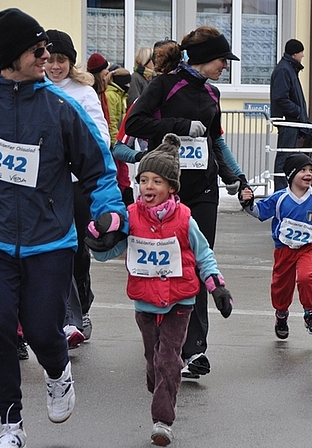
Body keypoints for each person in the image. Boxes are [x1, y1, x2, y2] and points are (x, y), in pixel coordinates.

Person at [0, 8, 127, 447]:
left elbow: (99, 170)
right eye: (37, 50)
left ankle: (58, 371)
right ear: (10, 55)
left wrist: (109, 212)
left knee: (40, 330)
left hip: (49, 241)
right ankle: (10, 424)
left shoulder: (60, 108)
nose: (46, 57)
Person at [90, 134, 233, 446]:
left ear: (171, 187)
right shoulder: (130, 217)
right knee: (153, 361)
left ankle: (162, 422)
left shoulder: (184, 219)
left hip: (180, 301)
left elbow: (203, 254)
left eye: (156, 181)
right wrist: (97, 244)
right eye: (143, 180)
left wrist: (217, 287)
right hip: (145, 301)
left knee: (168, 359)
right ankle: (161, 384)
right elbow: (113, 251)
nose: (148, 187)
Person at [125, 25, 241, 380]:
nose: (226, 65)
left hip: (203, 190)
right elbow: (135, 122)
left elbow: (215, 141)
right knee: (167, 266)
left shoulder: (214, 93)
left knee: (197, 264)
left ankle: (195, 352)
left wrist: (235, 176)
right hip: (166, 190)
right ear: (205, 58)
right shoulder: (164, 85)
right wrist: (179, 125)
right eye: (223, 59)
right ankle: (164, 337)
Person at [44, 28, 111, 346]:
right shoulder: (33, 87)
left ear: (71, 62)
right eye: (51, 59)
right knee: (57, 249)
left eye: (62, 60)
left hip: (76, 183)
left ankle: (82, 304)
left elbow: (102, 136)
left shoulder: (83, 92)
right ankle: (66, 317)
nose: (55, 66)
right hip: (46, 184)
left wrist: (71, 154)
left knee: (78, 251)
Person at [239, 153, 312, 338]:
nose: (308, 174)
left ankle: (310, 313)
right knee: (281, 288)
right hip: (284, 249)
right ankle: (281, 314)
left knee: (306, 277)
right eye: (303, 170)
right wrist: (247, 202)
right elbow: (260, 211)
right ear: (291, 175)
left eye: (311, 170)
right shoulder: (280, 198)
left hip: (308, 248)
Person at [270, 39, 308, 191]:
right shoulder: (285, 70)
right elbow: (281, 98)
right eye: (301, 52)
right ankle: (280, 191)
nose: (303, 55)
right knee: (284, 158)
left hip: (291, 121)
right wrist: (298, 112)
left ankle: (286, 189)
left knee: (288, 157)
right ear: (294, 53)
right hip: (288, 121)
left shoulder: (289, 69)